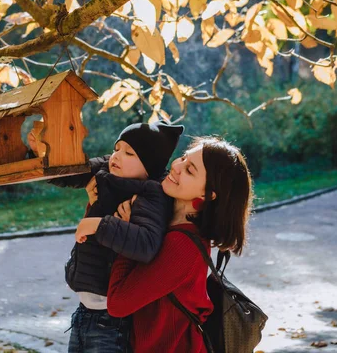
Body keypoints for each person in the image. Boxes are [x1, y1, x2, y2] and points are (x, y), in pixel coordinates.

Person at [107, 136, 253, 353]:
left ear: (207, 194)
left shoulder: (182, 245)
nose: (176, 166)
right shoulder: (168, 223)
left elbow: (118, 303)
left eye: (190, 170)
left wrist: (130, 238)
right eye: (184, 158)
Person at [48, 121, 184, 353]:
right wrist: (40, 154)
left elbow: (147, 244)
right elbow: (69, 172)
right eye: (117, 148)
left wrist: (100, 225)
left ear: (149, 167)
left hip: (112, 322)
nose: (117, 156)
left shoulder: (150, 194)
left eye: (129, 152)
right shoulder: (106, 169)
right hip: (84, 312)